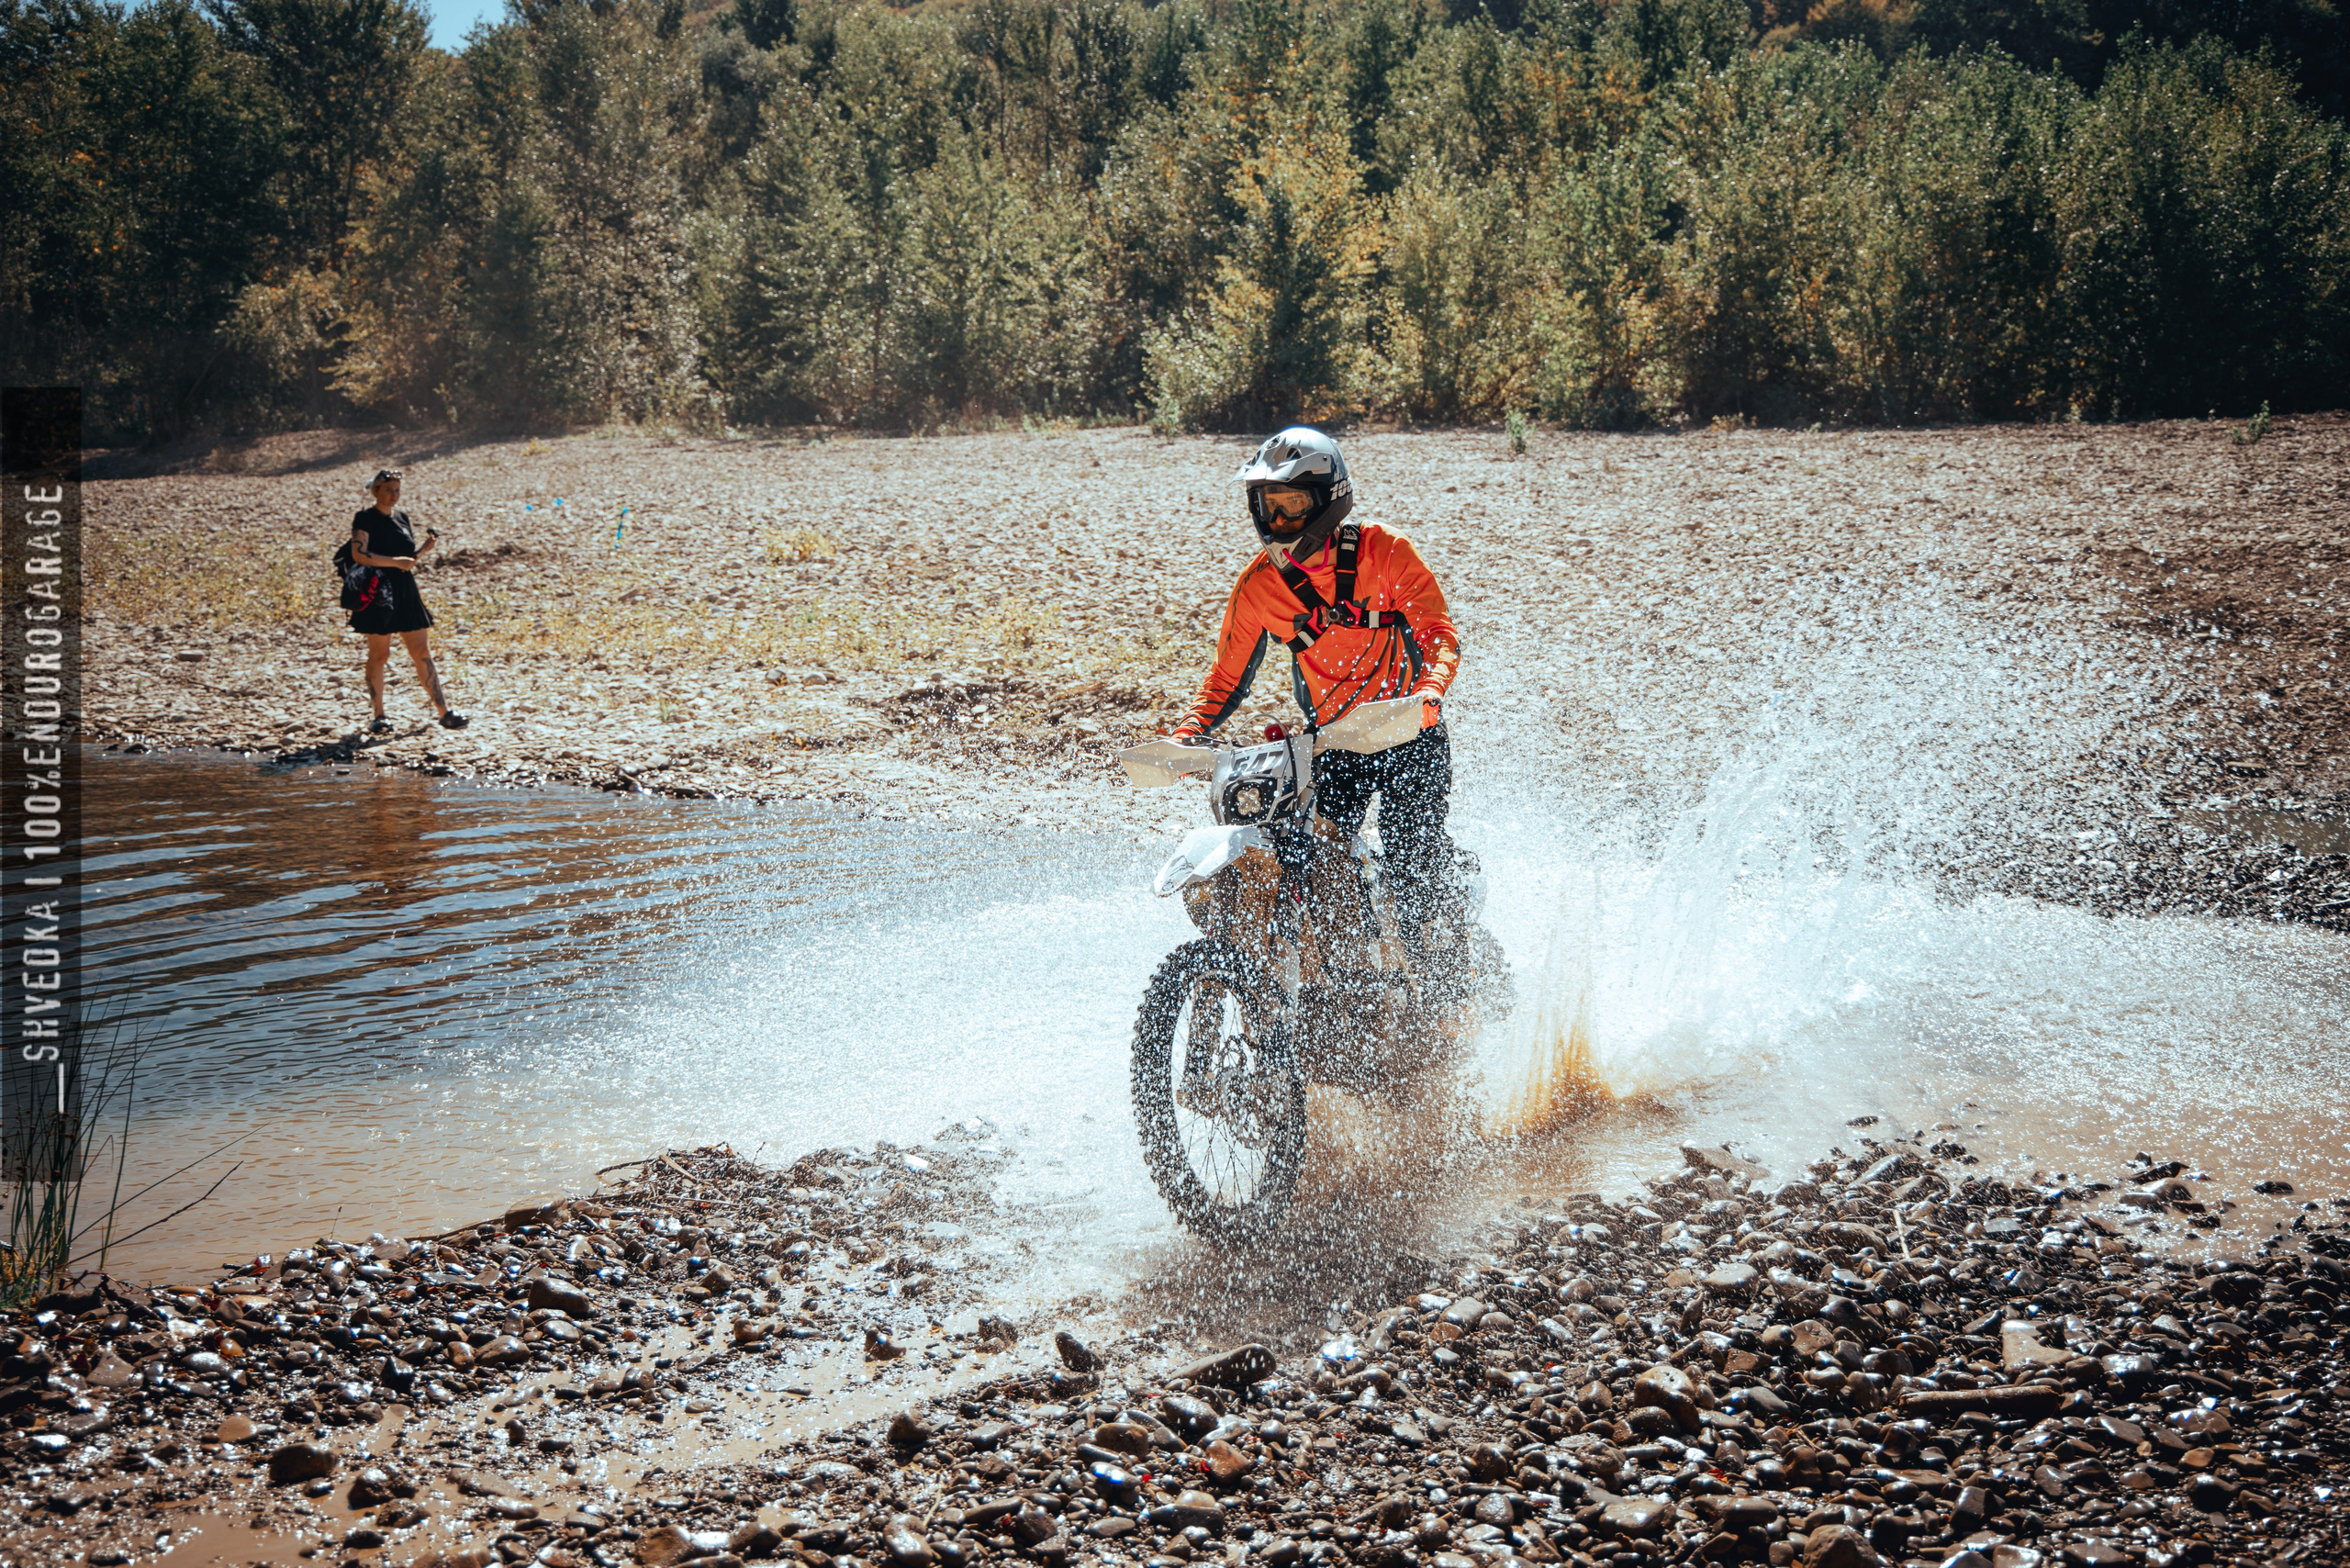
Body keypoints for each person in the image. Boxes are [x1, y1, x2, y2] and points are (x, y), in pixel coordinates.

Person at [1170, 426, 1464, 955]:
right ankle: (1346, 991)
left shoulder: (1387, 551)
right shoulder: (1258, 585)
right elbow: (1225, 678)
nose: (1277, 521)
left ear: (1329, 500)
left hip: (1410, 735)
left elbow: (1439, 635)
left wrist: (1429, 695)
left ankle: (1447, 999)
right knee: (1318, 864)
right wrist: (1188, 733)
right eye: (1268, 505)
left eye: (1291, 505)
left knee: (1411, 865)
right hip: (1333, 746)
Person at [348, 469, 469, 734]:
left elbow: (407, 560)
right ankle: (379, 716)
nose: (394, 495)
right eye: (389, 490)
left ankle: (444, 712)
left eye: (397, 490)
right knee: (380, 654)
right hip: (377, 590)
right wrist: (394, 563)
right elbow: (359, 554)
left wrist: (423, 550)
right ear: (376, 491)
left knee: (421, 652)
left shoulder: (402, 517)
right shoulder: (365, 518)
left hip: (404, 589)